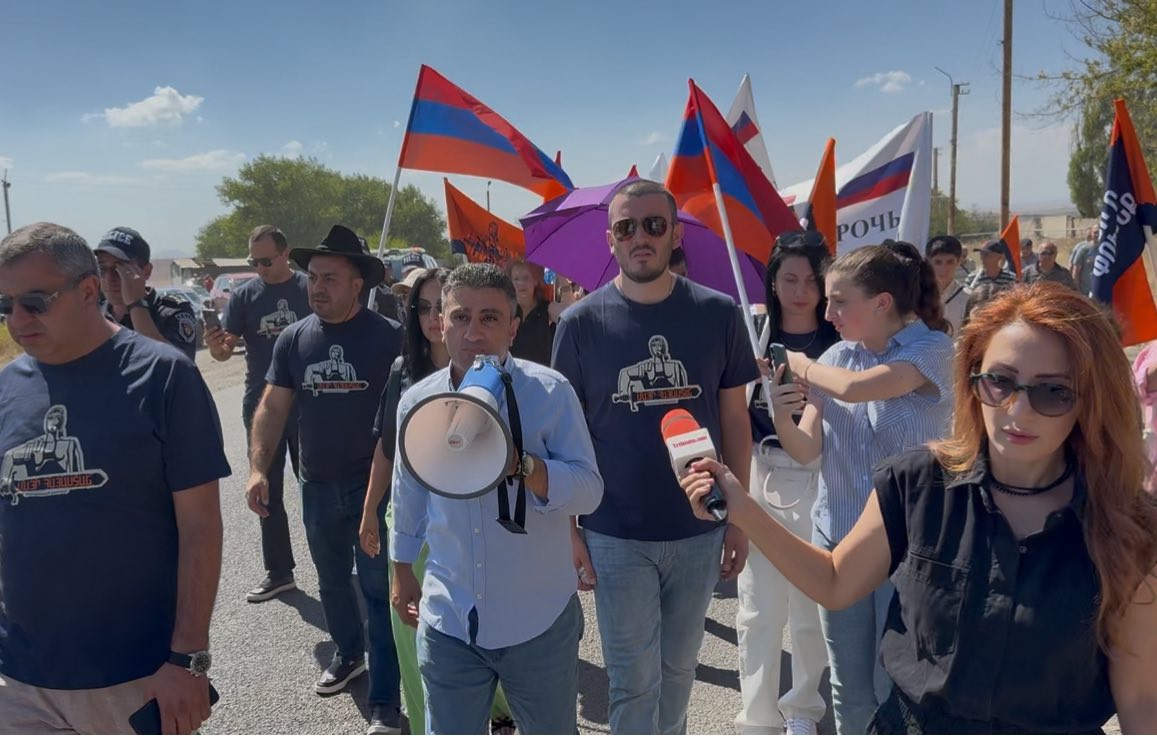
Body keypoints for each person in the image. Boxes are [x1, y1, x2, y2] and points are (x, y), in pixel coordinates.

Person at [682, 282, 1157, 734]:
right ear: (972, 381)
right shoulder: (917, 483)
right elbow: (834, 581)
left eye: (1052, 391)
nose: (1017, 410)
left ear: (1089, 400)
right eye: (1000, 382)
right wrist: (742, 508)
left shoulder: (1128, 527)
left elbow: (1140, 698)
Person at [0, 223, 229, 734]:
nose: (16, 319)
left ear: (88, 291)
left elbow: (200, 526)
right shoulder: (5, 388)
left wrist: (189, 659)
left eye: (34, 302)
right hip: (18, 681)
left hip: (135, 678)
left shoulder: (163, 376)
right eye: (4, 304)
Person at [553, 179, 758, 734]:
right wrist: (568, 529)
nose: (639, 236)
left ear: (674, 234)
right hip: (614, 531)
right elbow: (563, 434)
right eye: (626, 227)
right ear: (610, 240)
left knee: (678, 672)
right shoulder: (579, 323)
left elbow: (735, 421)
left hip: (698, 529)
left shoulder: (718, 313)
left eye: (653, 224)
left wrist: (739, 517)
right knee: (632, 680)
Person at [390, 263, 603, 734]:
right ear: (440, 323)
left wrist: (524, 467)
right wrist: (402, 569)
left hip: (538, 620)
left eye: (489, 318)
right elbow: (409, 492)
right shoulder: (417, 403)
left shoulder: (550, 393)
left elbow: (589, 490)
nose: (473, 332)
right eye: (460, 317)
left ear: (513, 327)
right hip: (450, 619)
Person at [774, 241, 955, 733]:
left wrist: (799, 363)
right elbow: (806, 449)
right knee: (848, 688)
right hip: (838, 541)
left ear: (881, 303)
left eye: (839, 301)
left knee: (893, 685)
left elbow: (857, 389)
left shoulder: (932, 349)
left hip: (907, 549)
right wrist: (781, 410)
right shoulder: (837, 356)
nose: (826, 312)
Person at [246, 224, 403, 734]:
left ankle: (385, 702)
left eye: (330, 278)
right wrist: (258, 468)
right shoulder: (294, 339)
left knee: (377, 592)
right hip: (315, 484)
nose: (317, 287)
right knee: (332, 581)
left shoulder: (391, 339)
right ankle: (349, 653)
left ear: (358, 284)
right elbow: (273, 407)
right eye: (313, 277)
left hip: (374, 490)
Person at [358, 267, 519, 735]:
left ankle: (501, 709)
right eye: (423, 307)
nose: (432, 317)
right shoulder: (402, 372)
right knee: (416, 631)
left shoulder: (494, 369)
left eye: (440, 308)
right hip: (413, 519)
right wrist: (370, 511)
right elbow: (387, 447)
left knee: (488, 622)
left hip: (474, 521)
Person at [739, 230, 841, 735]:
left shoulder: (838, 342)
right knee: (757, 606)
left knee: (809, 605)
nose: (801, 291)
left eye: (811, 281)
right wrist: (748, 382)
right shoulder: (751, 334)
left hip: (820, 477)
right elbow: (732, 416)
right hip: (760, 472)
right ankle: (756, 717)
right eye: (790, 279)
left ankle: (803, 710)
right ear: (773, 283)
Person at [205, 225, 310, 603]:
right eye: (254, 262)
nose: (260, 268)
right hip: (262, 403)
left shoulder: (308, 288)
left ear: (285, 254)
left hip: (308, 402)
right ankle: (279, 572)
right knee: (264, 487)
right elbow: (224, 352)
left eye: (266, 261)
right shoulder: (245, 296)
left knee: (316, 486)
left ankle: (337, 562)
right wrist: (216, 346)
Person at [95, 226, 198, 360]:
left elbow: (176, 365)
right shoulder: (94, 313)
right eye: (102, 268)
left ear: (146, 271)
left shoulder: (170, 313)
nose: (109, 278)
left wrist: (136, 304)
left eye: (119, 268)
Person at [507, 260, 561, 366]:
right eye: (516, 279)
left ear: (535, 281)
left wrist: (562, 278)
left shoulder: (547, 309)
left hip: (541, 374)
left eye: (526, 278)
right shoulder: (508, 312)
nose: (521, 283)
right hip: (512, 373)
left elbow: (570, 314)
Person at [924, 235, 970, 335]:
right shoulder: (917, 295)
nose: (944, 269)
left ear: (959, 261)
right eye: (938, 262)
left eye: (950, 262)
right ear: (928, 261)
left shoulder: (968, 298)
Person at [1071, 226, 1099, 295]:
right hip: (1086, 292)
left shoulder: (1106, 251)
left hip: (1100, 292)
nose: (1097, 235)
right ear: (1091, 234)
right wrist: (1078, 291)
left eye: (1099, 232)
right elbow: (1076, 272)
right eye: (1095, 232)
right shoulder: (1084, 249)